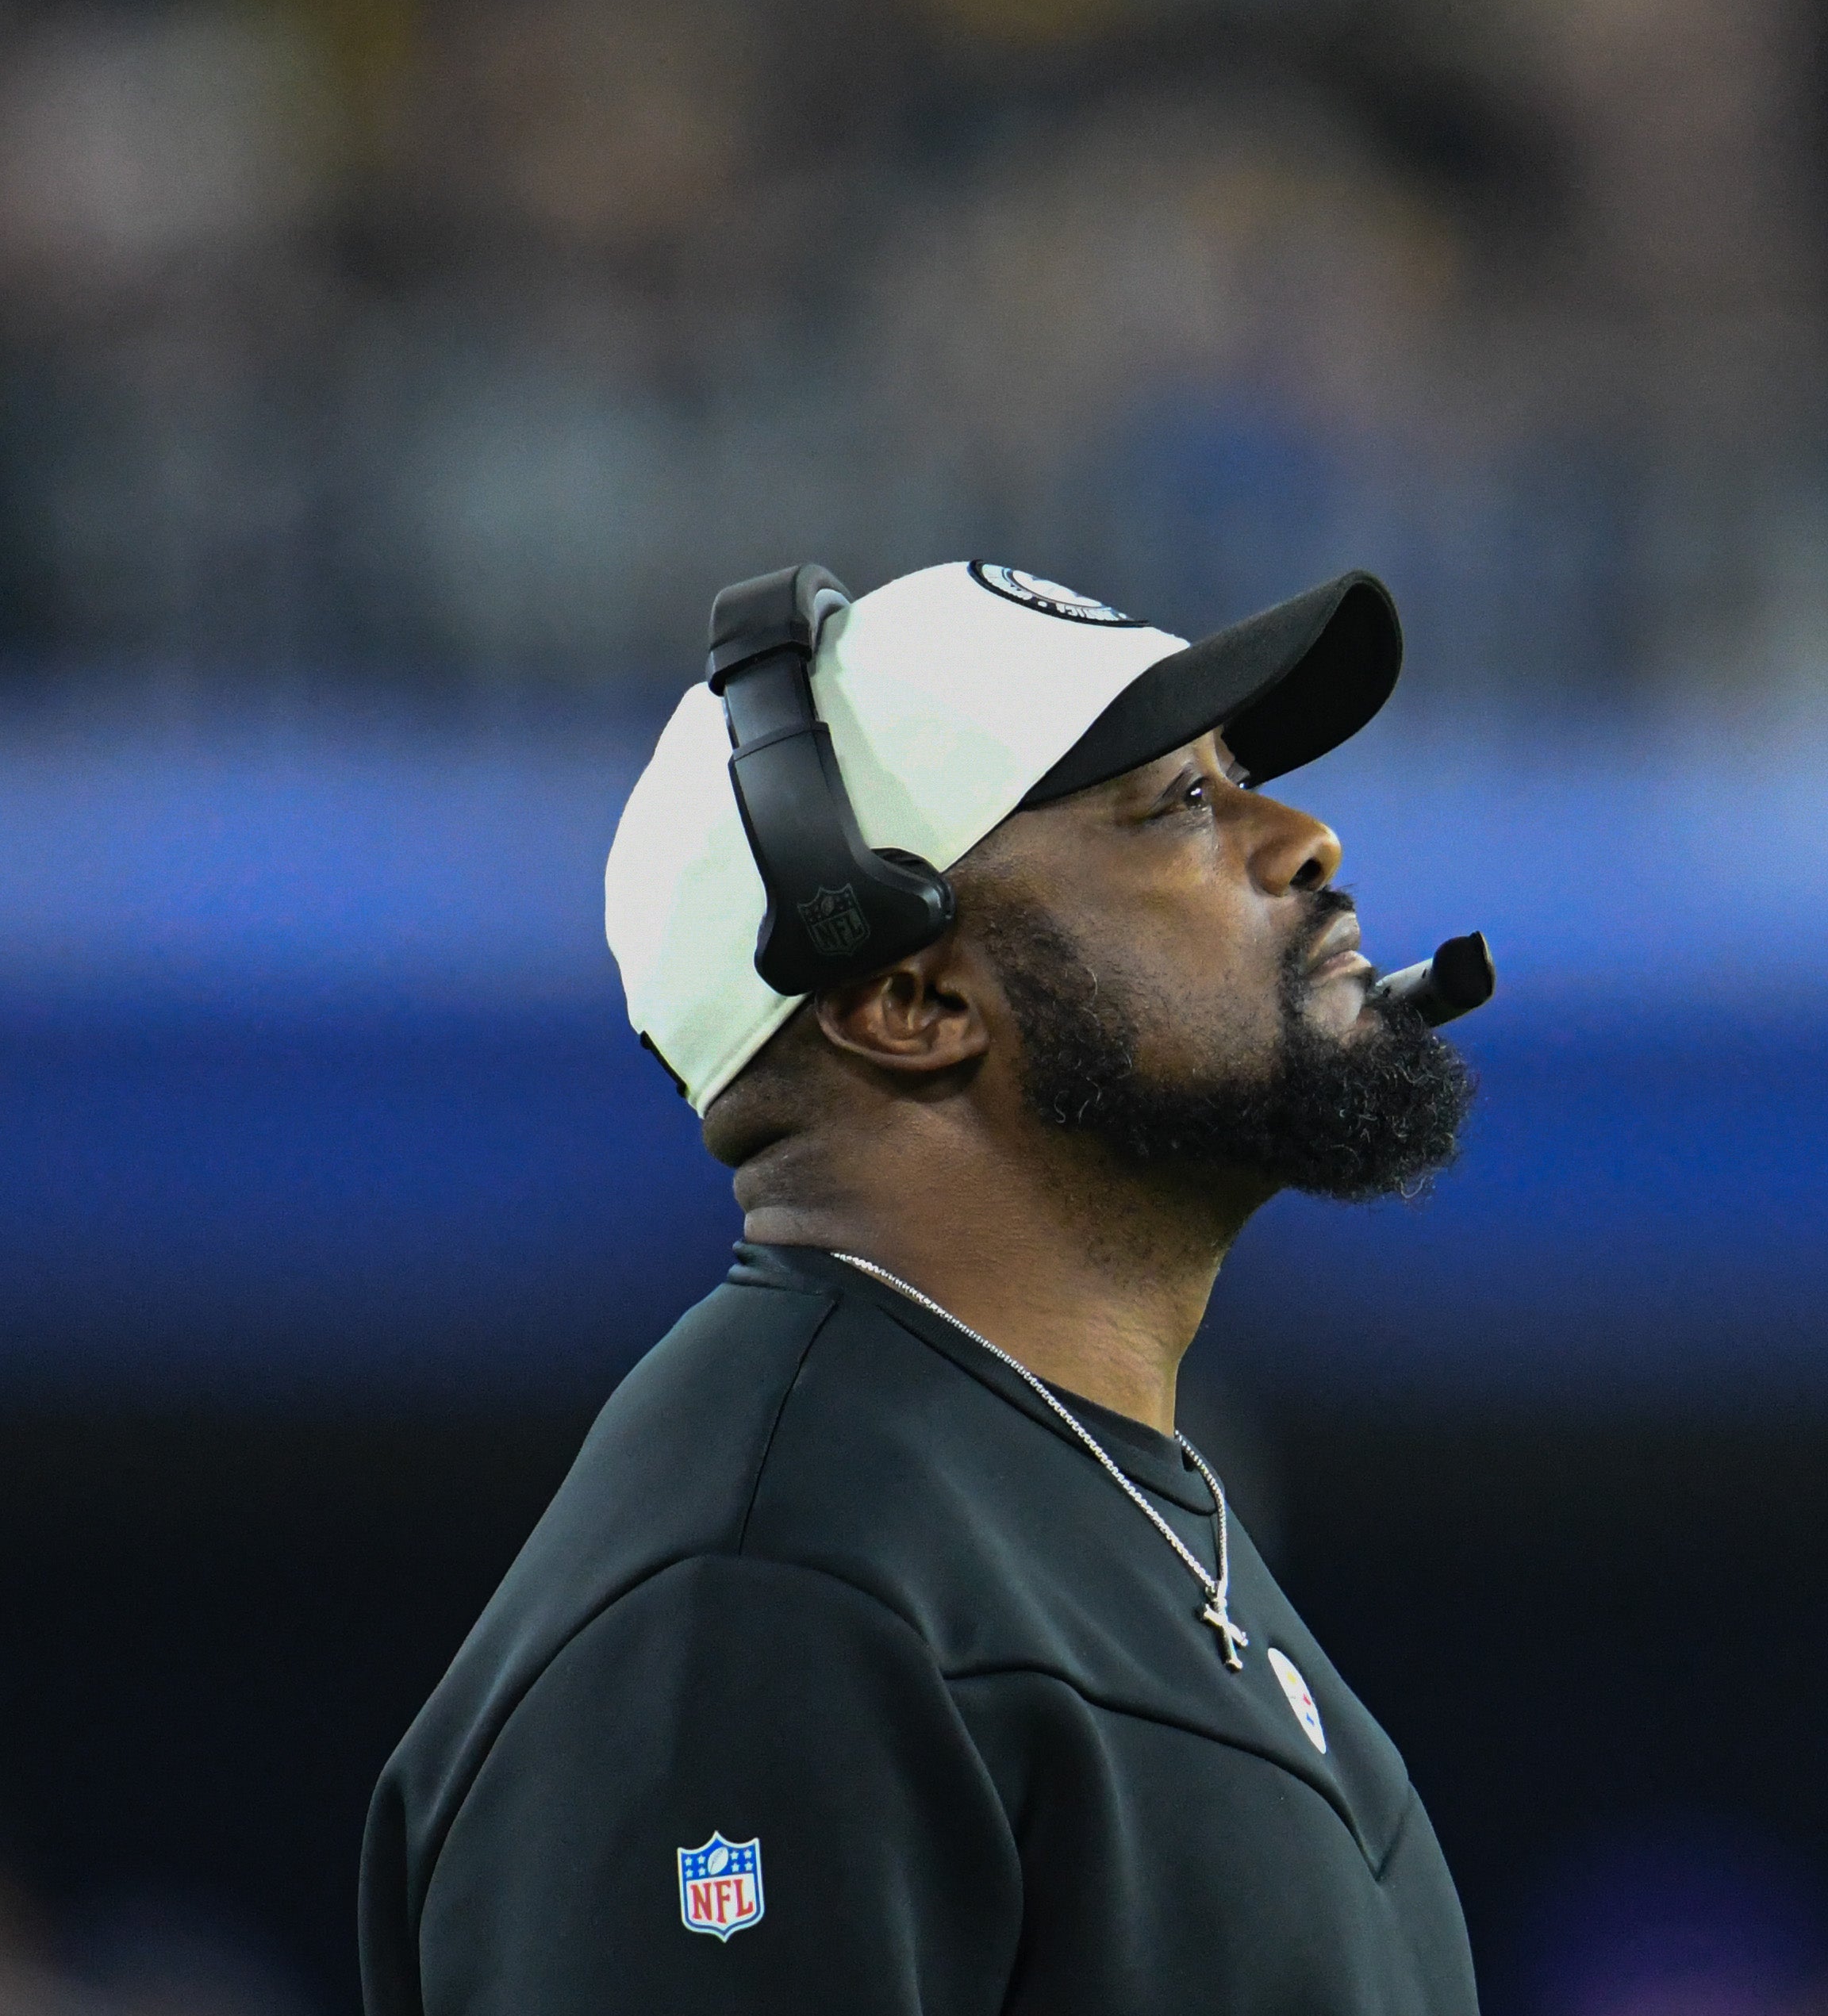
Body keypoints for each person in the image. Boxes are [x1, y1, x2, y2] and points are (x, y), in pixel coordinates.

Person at [359, 560, 1484, 2016]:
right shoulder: (764, 1596)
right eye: (1181, 805)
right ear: (909, 1003)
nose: (1307, 839)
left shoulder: (1110, 1522)